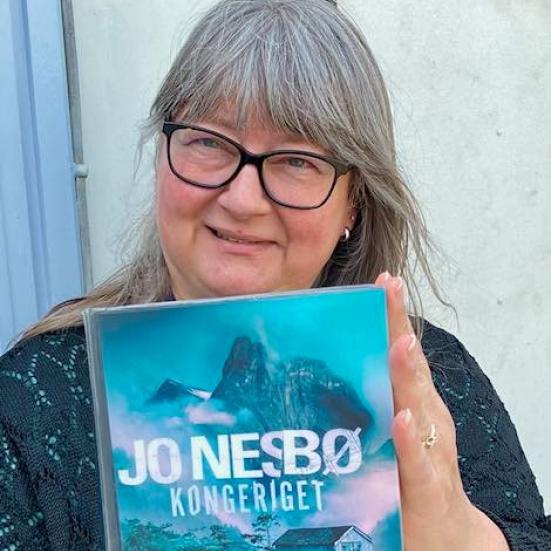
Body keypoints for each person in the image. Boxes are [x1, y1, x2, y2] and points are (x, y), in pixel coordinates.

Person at [0, 0, 549, 549]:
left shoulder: (434, 380)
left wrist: (468, 538)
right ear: (161, 158)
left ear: (354, 203)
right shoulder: (35, 400)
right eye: (208, 142)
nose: (242, 199)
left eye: (297, 160)